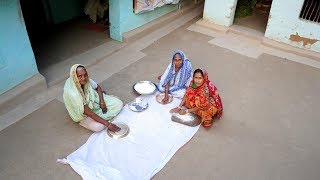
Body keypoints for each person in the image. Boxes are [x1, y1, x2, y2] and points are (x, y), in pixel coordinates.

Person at [63, 64, 123, 132]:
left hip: (93, 102)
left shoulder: (86, 79)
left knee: (119, 103)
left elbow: (97, 87)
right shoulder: (73, 93)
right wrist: (108, 125)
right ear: (74, 76)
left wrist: (102, 102)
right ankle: (83, 122)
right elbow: (88, 112)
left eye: (85, 75)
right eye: (80, 76)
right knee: (99, 127)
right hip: (83, 112)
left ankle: (100, 118)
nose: (83, 78)